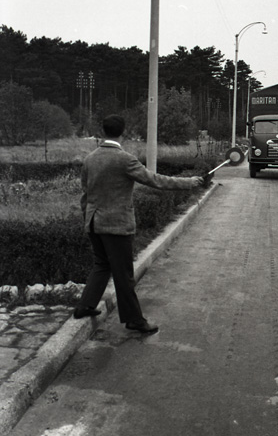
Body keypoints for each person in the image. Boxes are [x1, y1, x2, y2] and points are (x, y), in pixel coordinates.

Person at [74, 114, 204, 333]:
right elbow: (155, 180)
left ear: (103, 132)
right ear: (123, 132)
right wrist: (188, 182)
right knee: (123, 274)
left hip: (94, 223)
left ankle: (84, 306)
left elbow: (85, 192)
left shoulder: (90, 159)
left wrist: (87, 217)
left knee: (102, 264)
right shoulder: (125, 159)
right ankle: (134, 320)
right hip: (117, 226)